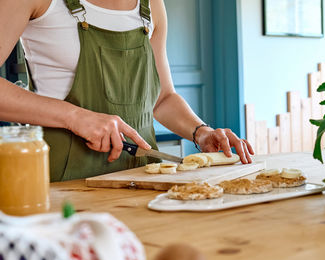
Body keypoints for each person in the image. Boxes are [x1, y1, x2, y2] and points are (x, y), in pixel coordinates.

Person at [0, 0, 254, 182]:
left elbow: (162, 98)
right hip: (64, 182)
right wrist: (74, 117)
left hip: (145, 178)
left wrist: (201, 132)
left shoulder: (152, 5)